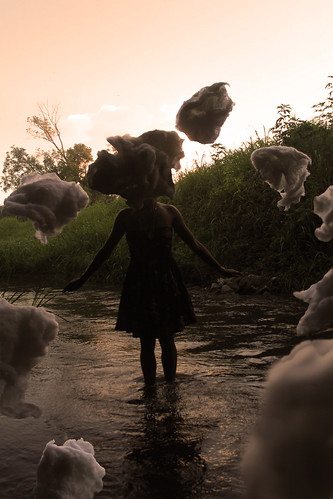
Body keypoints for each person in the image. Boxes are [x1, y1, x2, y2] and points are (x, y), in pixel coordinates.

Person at [63, 198, 240, 385]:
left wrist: (221, 269)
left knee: (167, 337)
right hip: (140, 283)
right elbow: (106, 250)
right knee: (146, 341)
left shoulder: (170, 212)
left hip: (166, 281)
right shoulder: (125, 217)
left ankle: (171, 388)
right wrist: (83, 278)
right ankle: (150, 391)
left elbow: (194, 244)